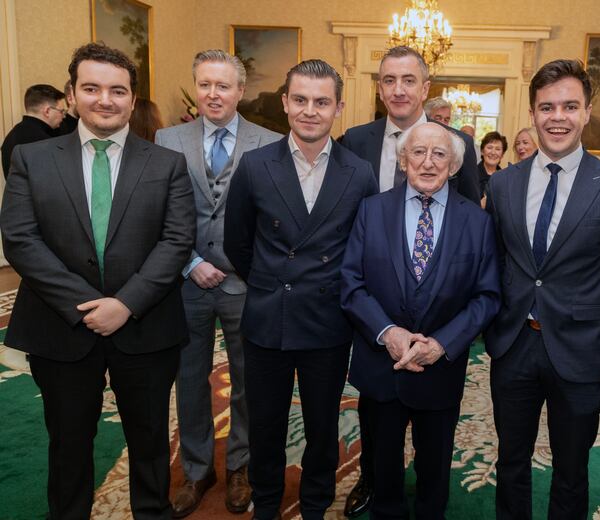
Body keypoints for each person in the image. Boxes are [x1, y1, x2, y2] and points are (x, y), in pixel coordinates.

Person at [0, 42, 196, 519]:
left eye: (117, 90)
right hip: (59, 327)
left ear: (131, 98)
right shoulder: (33, 158)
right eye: (91, 88)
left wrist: (126, 304)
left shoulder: (166, 164)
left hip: (147, 326)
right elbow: (21, 240)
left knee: (150, 440)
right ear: (71, 95)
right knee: (68, 442)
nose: (105, 100)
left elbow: (176, 240)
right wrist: (88, 305)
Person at [485, 59, 600, 520]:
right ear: (532, 113)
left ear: (588, 111)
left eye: (570, 106)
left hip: (579, 349)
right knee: (510, 459)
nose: (558, 116)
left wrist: (587, 320)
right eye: (547, 106)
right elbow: (495, 262)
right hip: (513, 344)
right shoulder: (503, 184)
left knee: (571, 468)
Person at [224, 59, 378, 520]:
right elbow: (238, 242)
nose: (311, 110)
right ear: (286, 103)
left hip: (328, 321)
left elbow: (362, 249)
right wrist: (272, 283)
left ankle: (315, 504)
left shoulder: (360, 172)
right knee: (266, 426)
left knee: (322, 424)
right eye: (302, 100)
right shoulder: (254, 166)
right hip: (268, 317)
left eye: (322, 101)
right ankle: (267, 504)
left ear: (338, 108)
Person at [339, 45, 480, 517]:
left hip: (441, 363)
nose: (427, 161)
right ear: (402, 161)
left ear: (455, 165)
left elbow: (485, 290)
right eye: (417, 152)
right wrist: (387, 333)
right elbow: (352, 278)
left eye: (439, 153)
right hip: (380, 354)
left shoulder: (474, 222)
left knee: (435, 468)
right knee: (380, 461)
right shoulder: (371, 206)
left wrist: (444, 342)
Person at [156, 49, 282, 517]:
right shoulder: (167, 138)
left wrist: (244, 267)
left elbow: (273, 217)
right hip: (186, 281)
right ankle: (195, 468)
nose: (213, 93)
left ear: (240, 91)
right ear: (196, 84)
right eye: (205, 84)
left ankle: (240, 466)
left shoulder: (270, 142)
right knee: (189, 379)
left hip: (245, 283)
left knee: (250, 380)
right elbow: (160, 211)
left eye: (223, 85)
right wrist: (189, 263)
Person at [1, 84, 65, 178]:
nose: (63, 116)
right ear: (47, 111)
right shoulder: (44, 142)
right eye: (61, 111)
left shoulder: (10, 136)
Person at [478, 130, 507, 200]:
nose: (493, 152)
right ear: (482, 151)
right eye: (489, 148)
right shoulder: (472, 175)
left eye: (498, 149)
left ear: (502, 154)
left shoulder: (506, 178)